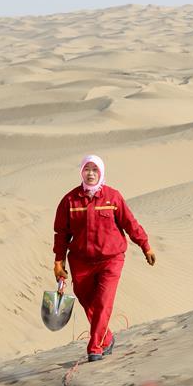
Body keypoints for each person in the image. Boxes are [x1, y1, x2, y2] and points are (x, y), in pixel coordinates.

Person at [53, 154, 156, 361]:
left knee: (103, 302)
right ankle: (106, 337)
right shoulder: (70, 201)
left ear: (101, 173)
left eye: (95, 170)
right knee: (87, 302)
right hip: (80, 261)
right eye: (87, 169)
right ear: (81, 172)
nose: (90, 174)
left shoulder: (113, 197)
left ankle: (95, 347)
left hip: (111, 260)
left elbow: (130, 224)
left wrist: (145, 246)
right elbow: (61, 234)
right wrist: (58, 261)